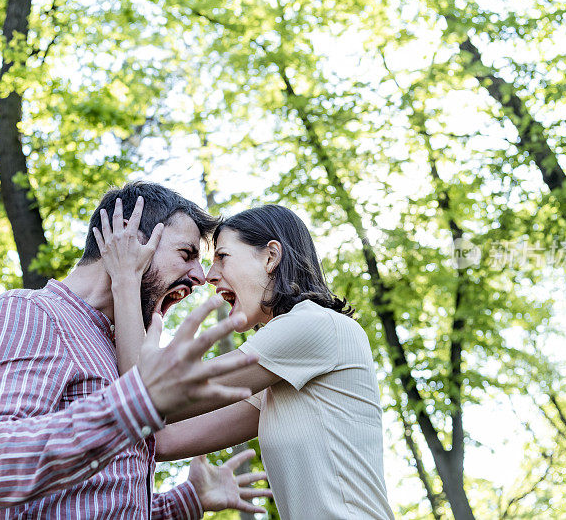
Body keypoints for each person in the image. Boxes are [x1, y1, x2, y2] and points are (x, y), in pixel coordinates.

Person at [0, 181, 271, 519]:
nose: (201, 276)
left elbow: (86, 503)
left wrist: (185, 501)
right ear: (127, 239)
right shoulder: (29, 314)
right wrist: (137, 402)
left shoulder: (110, 348)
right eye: (186, 254)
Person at [98, 204, 395, 520]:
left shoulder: (313, 325)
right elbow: (158, 435)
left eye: (222, 257)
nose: (210, 276)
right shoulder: (277, 375)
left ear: (270, 257)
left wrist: (127, 280)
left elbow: (149, 398)